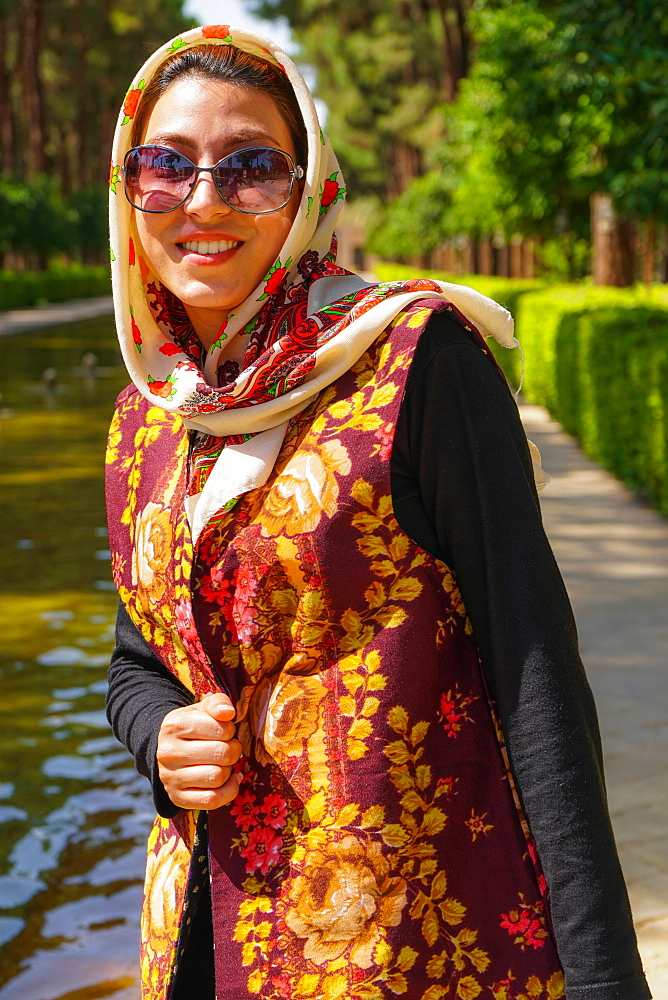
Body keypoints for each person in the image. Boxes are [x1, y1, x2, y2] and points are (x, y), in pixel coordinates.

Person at [105, 24, 651, 1000]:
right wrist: (161, 738)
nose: (204, 198)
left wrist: (605, 977)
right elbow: (140, 658)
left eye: (251, 167)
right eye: (165, 165)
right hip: (202, 930)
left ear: (308, 185)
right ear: (126, 185)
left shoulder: (415, 358)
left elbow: (533, 676)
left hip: (410, 940)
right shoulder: (151, 408)